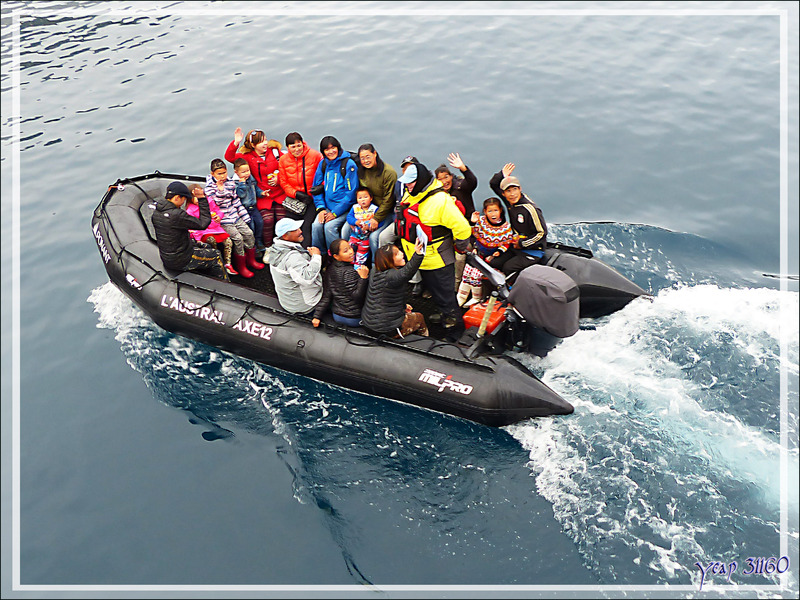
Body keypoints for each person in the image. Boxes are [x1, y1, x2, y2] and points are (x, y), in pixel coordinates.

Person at [394, 157, 472, 330]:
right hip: (420, 258)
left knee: (446, 297)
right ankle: (443, 314)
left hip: (437, 260)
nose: (408, 186)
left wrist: (459, 248)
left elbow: (463, 228)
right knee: (435, 293)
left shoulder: (441, 201)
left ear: (420, 180)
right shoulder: (412, 194)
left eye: (411, 183)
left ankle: (454, 329)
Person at [225, 127, 287, 251]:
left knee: (282, 219)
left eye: (265, 140)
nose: (265, 143)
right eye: (261, 142)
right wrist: (236, 143)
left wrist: (278, 178)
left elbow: (286, 166)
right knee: (267, 221)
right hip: (263, 196)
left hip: (280, 194)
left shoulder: (275, 153)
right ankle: (268, 248)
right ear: (253, 145)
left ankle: (284, 247)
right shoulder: (248, 157)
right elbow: (229, 157)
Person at [151, 181, 228, 280]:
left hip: (169, 257)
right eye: (184, 199)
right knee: (216, 255)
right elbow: (203, 223)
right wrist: (202, 199)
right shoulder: (177, 215)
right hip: (182, 259)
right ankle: (225, 285)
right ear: (177, 197)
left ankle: (205, 275)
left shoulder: (157, 212)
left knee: (206, 246)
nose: (183, 203)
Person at [205, 158, 263, 278]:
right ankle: (241, 266)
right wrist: (220, 191)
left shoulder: (230, 183)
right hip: (223, 220)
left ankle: (250, 260)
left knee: (249, 233)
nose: (222, 176)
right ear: (213, 174)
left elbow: (236, 201)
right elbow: (215, 204)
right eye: (219, 174)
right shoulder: (209, 188)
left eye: (224, 172)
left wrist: (244, 216)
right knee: (237, 238)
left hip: (234, 215)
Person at [488, 163, 547, 281]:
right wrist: (502, 175)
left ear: (520, 189)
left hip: (533, 251)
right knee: (494, 263)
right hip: (516, 246)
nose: (512, 194)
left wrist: (521, 243)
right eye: (508, 191)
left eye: (515, 189)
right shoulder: (509, 201)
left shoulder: (530, 209)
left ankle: (511, 291)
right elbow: (494, 184)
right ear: (503, 194)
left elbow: (542, 233)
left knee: (508, 267)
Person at [360, 239, 429, 338]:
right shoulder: (392, 276)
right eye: (396, 254)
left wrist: (403, 307)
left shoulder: (375, 269)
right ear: (388, 260)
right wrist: (418, 254)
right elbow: (407, 272)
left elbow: (387, 297)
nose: (402, 254)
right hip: (386, 329)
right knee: (419, 317)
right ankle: (424, 340)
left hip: (368, 323)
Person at [340, 143, 398, 259]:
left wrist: (376, 219)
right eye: (362, 158)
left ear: (375, 154)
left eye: (368, 157)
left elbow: (389, 200)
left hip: (383, 212)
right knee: (346, 229)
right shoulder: (361, 172)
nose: (366, 161)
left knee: (374, 237)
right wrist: (356, 219)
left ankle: (376, 264)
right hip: (364, 209)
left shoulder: (388, 173)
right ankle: (348, 259)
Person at [457, 197, 516, 307]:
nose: (493, 214)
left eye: (495, 210)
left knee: (476, 275)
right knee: (467, 272)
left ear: (500, 211)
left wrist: (498, 252)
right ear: (485, 211)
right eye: (490, 211)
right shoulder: (482, 221)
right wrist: (473, 223)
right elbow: (475, 235)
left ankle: (476, 297)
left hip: (491, 256)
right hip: (479, 252)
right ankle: (461, 296)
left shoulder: (506, 226)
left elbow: (507, 243)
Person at [435, 152, 478, 287]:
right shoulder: (437, 194)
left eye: (446, 177)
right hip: (447, 231)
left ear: (452, 177)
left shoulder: (460, 187)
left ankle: (456, 285)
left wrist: (463, 168)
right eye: (440, 179)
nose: (444, 181)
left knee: (461, 256)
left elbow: (472, 182)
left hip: (466, 229)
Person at [310, 136, 359, 253]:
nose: (331, 151)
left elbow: (351, 194)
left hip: (344, 208)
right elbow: (316, 189)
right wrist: (321, 208)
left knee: (329, 227)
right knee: (316, 226)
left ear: (338, 147)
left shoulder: (348, 164)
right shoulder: (323, 164)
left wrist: (335, 213)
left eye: (333, 148)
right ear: (323, 152)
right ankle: (319, 255)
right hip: (327, 207)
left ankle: (336, 257)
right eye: (327, 150)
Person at [269, 218, 323, 315]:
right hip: (305, 306)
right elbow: (308, 278)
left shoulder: (274, 250)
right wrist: (316, 256)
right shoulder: (292, 257)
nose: (300, 231)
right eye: (296, 230)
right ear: (285, 236)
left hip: (288, 302)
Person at [278, 131, 323, 249]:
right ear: (287, 148)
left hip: (312, 198)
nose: (297, 149)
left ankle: (307, 252)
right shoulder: (283, 160)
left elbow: (324, 174)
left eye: (299, 145)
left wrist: (319, 188)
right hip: (296, 199)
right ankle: (287, 252)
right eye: (293, 147)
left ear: (303, 143)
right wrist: (296, 194)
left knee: (307, 226)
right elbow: (283, 182)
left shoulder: (315, 156)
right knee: (288, 226)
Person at [311, 239, 370, 328]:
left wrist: (317, 316)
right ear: (336, 256)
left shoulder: (330, 269)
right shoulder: (350, 272)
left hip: (337, 316)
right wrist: (363, 278)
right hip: (354, 318)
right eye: (346, 251)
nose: (351, 252)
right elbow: (357, 296)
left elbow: (327, 295)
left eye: (350, 248)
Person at [186, 184, 237, 276]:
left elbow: (218, 210)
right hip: (203, 232)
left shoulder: (209, 201)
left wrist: (219, 217)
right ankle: (217, 260)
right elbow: (193, 228)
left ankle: (228, 263)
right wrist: (197, 239)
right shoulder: (190, 211)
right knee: (211, 241)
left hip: (216, 229)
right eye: (195, 197)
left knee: (228, 242)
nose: (197, 199)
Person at [232, 158, 266, 253]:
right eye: (243, 172)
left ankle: (259, 241)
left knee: (259, 222)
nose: (246, 173)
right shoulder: (235, 182)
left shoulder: (250, 179)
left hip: (253, 207)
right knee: (251, 227)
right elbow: (240, 194)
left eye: (248, 171)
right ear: (236, 172)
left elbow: (255, 188)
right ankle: (253, 246)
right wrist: (242, 184)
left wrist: (261, 193)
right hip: (244, 209)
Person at [346, 187, 380, 267]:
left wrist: (369, 226)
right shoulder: (355, 208)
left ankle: (358, 268)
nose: (363, 200)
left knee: (361, 254)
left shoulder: (374, 209)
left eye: (365, 197)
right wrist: (355, 222)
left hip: (366, 238)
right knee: (349, 249)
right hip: (354, 236)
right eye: (360, 198)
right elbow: (349, 217)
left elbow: (380, 222)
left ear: (371, 198)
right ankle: (348, 266)